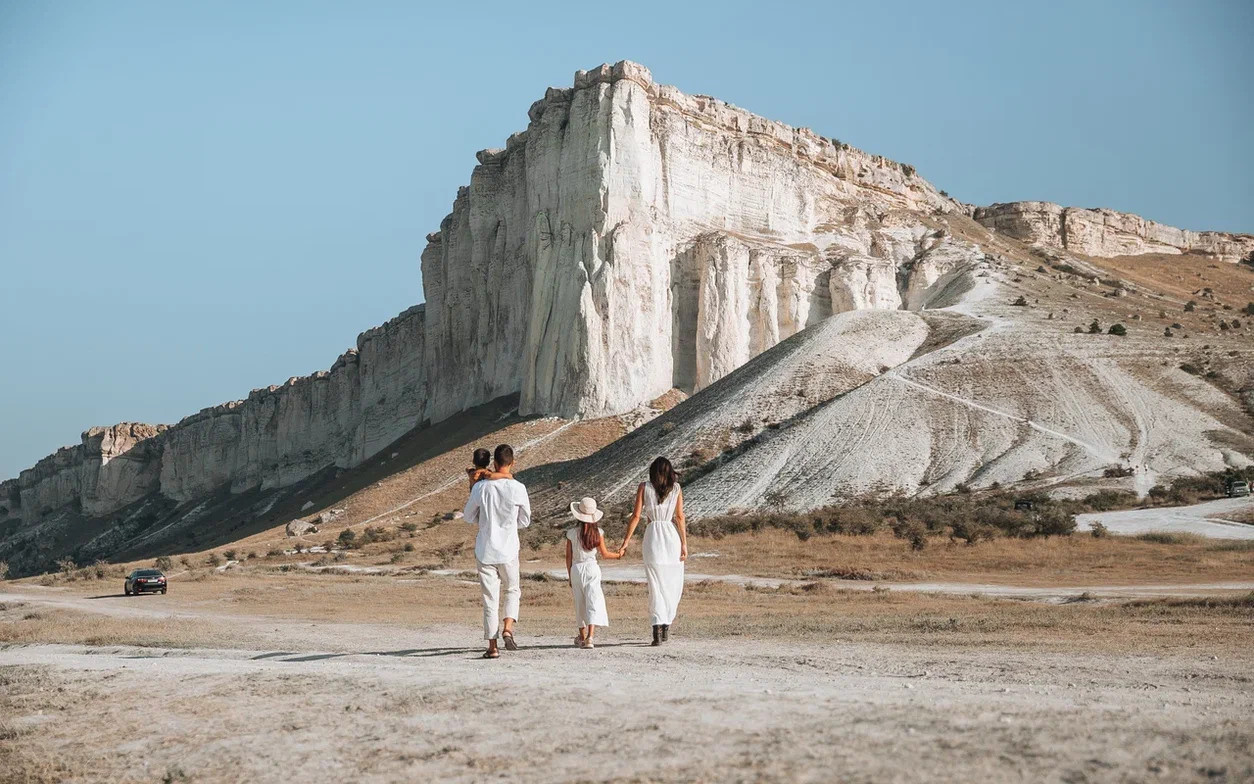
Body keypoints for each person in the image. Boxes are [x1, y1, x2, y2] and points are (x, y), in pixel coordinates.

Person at [462, 444, 531, 659]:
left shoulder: (481, 488)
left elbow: (468, 516)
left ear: (494, 462)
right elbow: (525, 520)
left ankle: (492, 646)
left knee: (490, 598)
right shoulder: (519, 488)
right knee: (512, 589)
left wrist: (485, 520)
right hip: (509, 548)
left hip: (486, 549)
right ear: (512, 463)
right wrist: (508, 525)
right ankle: (508, 628)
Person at [619, 456, 687, 646]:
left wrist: (626, 541)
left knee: (655, 585)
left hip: (652, 538)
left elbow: (636, 516)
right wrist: (684, 544)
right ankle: (665, 625)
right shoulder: (676, 489)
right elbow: (680, 517)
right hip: (671, 537)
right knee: (672, 583)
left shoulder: (644, 487)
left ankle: (657, 628)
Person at [565, 497, 623, 649]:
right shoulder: (598, 532)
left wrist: (569, 575)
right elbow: (605, 554)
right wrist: (618, 555)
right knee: (593, 600)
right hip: (592, 568)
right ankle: (590, 637)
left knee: (579, 603)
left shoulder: (571, 533)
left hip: (576, 569)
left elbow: (568, 556)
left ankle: (582, 636)